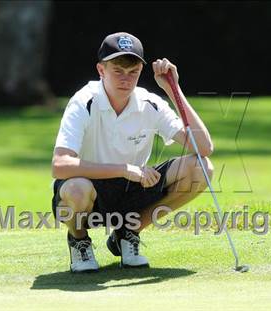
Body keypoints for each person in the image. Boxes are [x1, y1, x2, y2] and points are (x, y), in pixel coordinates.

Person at [51, 32, 214, 272]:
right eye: (118, 70)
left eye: (133, 72)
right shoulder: (83, 101)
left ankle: (128, 232)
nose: (126, 79)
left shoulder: (149, 102)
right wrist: (124, 169)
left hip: (132, 193)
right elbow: (60, 164)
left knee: (202, 168)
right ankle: (79, 239)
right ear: (101, 70)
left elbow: (203, 148)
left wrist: (173, 89)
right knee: (76, 189)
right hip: (89, 192)